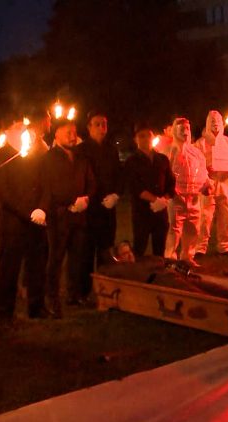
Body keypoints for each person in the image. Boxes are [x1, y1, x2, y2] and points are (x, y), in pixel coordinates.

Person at [0, 120, 50, 327]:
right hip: (13, 221)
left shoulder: (34, 154)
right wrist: (27, 212)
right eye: (17, 127)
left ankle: (36, 306)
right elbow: (4, 193)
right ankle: (4, 311)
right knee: (9, 267)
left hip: (36, 220)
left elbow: (44, 184)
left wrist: (41, 208)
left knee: (37, 264)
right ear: (7, 130)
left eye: (24, 127)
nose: (23, 130)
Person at [40, 119, 95, 317]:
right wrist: (72, 201)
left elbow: (90, 182)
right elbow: (50, 188)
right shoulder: (49, 158)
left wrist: (86, 199)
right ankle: (52, 298)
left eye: (74, 132)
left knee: (77, 256)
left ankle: (74, 294)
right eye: (67, 132)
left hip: (79, 215)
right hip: (59, 215)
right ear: (56, 135)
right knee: (56, 258)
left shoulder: (81, 158)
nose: (72, 136)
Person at [78, 111, 121, 302]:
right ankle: (84, 291)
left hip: (107, 208)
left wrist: (116, 194)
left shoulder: (111, 149)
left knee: (106, 250)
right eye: (97, 124)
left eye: (104, 124)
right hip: (90, 208)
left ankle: (106, 289)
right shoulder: (82, 150)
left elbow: (119, 175)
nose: (102, 128)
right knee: (86, 252)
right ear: (89, 127)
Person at [164, 118, 212, 266]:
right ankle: (170, 257)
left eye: (187, 128)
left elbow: (203, 171)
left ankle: (187, 256)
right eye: (181, 128)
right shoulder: (169, 152)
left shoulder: (196, 153)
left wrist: (206, 185)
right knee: (175, 228)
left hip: (194, 196)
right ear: (174, 130)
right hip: (177, 196)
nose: (185, 131)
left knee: (193, 228)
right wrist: (171, 191)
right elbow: (165, 174)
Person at [124, 124, 175, 258]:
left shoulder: (162, 159)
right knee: (140, 247)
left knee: (160, 248)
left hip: (161, 212)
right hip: (142, 212)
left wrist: (164, 199)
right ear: (135, 139)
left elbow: (171, 182)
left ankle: (158, 274)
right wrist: (154, 200)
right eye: (141, 136)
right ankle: (139, 275)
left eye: (148, 135)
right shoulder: (131, 161)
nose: (146, 139)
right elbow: (134, 186)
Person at [195, 110, 228, 257]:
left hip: (225, 183)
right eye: (212, 122)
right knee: (204, 216)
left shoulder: (227, 141)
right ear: (207, 124)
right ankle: (200, 247)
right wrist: (206, 169)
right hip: (208, 183)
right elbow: (195, 164)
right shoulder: (200, 143)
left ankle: (224, 246)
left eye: (218, 122)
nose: (215, 126)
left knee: (226, 215)